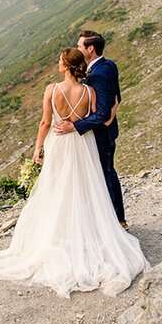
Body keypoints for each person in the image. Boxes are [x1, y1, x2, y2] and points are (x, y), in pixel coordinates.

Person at [0, 48, 148, 298]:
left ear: (66, 67)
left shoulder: (52, 90)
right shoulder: (89, 92)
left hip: (58, 144)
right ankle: (88, 237)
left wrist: (37, 148)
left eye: (60, 61)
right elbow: (98, 117)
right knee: (85, 188)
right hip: (83, 144)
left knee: (57, 190)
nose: (57, 63)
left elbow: (45, 123)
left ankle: (61, 238)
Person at [54, 30, 125, 225]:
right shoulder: (109, 65)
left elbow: (101, 113)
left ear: (90, 49)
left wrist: (75, 126)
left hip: (101, 135)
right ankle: (119, 220)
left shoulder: (98, 75)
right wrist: (114, 109)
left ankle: (115, 225)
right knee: (110, 174)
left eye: (79, 46)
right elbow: (116, 96)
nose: (77, 48)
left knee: (103, 179)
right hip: (110, 132)